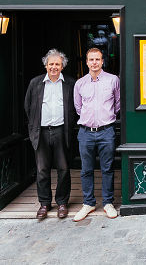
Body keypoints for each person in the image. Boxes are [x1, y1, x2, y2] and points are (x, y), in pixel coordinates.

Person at [24, 49, 77, 220]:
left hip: (61, 130)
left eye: (57, 64)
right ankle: (44, 203)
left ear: (62, 66)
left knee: (63, 168)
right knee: (42, 170)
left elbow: (76, 107)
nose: (54, 67)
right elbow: (28, 106)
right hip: (41, 131)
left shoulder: (70, 83)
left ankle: (62, 203)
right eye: (51, 64)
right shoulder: (35, 83)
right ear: (46, 65)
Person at [72, 47, 120, 221]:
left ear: (102, 61)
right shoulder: (80, 84)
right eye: (91, 60)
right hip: (85, 132)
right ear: (86, 62)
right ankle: (88, 203)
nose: (94, 63)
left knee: (107, 168)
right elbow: (78, 107)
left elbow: (118, 104)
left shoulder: (113, 80)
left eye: (97, 59)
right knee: (86, 170)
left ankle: (108, 203)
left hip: (106, 131)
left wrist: (106, 117)